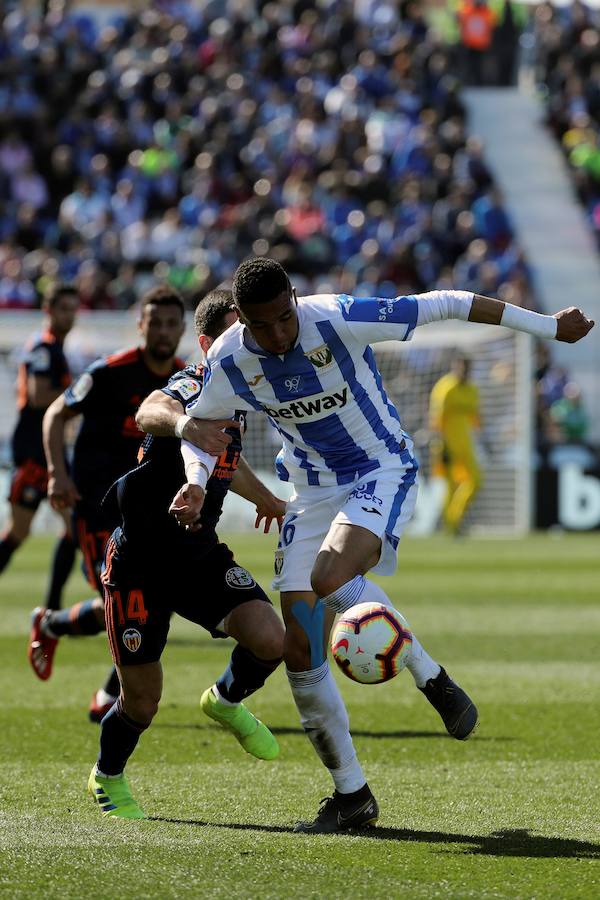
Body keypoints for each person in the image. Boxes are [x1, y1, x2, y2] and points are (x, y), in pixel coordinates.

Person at [164, 257, 594, 834]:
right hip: (311, 493)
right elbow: (201, 428)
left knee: (328, 576)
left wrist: (548, 326)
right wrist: (194, 482)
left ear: (295, 298)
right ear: (241, 319)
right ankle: (352, 796)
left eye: (284, 318)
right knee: (300, 648)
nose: (278, 334)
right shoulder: (231, 358)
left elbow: (450, 302)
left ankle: (429, 676)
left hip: (379, 469)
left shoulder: (338, 317)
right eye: (262, 326)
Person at [87, 288, 286, 819]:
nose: (249, 340)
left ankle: (224, 699)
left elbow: (226, 457)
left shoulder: (242, 395)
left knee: (271, 639)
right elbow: (153, 410)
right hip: (139, 563)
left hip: (196, 554)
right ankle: (107, 776)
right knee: (142, 702)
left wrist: (265, 497)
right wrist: (184, 424)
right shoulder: (192, 383)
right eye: (234, 331)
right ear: (206, 343)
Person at [28, 285, 186, 721]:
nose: (163, 330)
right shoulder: (110, 372)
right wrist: (58, 473)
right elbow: (56, 413)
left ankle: (58, 631)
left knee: (149, 601)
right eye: (155, 322)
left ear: (183, 329)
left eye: (172, 323)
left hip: (147, 514)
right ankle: (107, 694)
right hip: (96, 504)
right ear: (141, 324)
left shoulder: (183, 378)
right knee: (124, 601)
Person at [0, 283, 79, 611]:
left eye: (73, 309)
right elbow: (37, 395)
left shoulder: (54, 348)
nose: (70, 316)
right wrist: (79, 396)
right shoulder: (44, 348)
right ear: (49, 311)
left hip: (48, 452)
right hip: (35, 453)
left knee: (67, 527)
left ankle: (52, 606)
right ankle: (52, 608)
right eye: (63, 309)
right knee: (63, 526)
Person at [429, 355, 482, 534]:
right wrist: (439, 444)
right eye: (460, 368)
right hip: (446, 443)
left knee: (476, 480)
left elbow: (474, 418)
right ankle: (451, 526)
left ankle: (453, 517)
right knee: (449, 485)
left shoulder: (472, 390)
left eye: (466, 369)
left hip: (465, 444)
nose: (463, 372)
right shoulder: (445, 388)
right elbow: (436, 420)